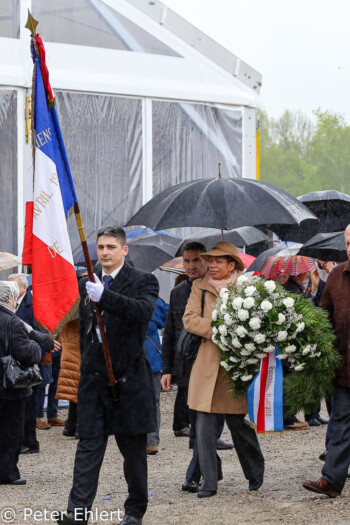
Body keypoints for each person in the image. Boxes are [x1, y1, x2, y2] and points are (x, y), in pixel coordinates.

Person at [57, 226, 159, 525]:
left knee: (134, 455)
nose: (104, 252)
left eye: (111, 247)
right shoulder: (87, 283)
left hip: (129, 380)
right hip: (94, 381)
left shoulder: (144, 281)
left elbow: (142, 312)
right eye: (100, 247)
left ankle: (134, 512)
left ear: (124, 250)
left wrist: (106, 297)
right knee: (88, 449)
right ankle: (77, 513)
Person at [183, 242, 264, 498]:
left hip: (236, 366)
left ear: (232, 264)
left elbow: (259, 321)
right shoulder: (200, 287)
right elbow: (190, 319)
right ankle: (209, 482)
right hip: (207, 365)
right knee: (204, 428)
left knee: (239, 424)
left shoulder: (249, 288)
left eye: (219, 261)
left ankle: (254, 472)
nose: (213, 265)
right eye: (211, 260)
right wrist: (221, 329)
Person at [303, 226, 350, 498]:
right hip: (343, 369)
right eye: (347, 242)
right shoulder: (336, 275)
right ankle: (331, 481)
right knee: (341, 426)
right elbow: (323, 317)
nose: (349, 247)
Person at [8, 273, 61, 451]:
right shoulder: (12, 303)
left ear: (24, 287)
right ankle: (24, 441)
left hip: (30, 359)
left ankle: (29, 442)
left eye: (14, 285)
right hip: (16, 360)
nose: (11, 289)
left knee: (29, 402)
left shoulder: (34, 303)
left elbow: (37, 331)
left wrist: (39, 349)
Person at [161, 242, 209, 437]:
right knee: (186, 393)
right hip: (185, 359)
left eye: (196, 260)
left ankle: (207, 436)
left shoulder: (216, 290)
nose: (191, 266)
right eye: (187, 261)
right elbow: (170, 333)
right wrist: (167, 369)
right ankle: (186, 428)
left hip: (208, 358)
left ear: (206, 260)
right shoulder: (178, 293)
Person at [0, 281, 41, 485]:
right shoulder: (12, 321)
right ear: (9, 298)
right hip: (9, 386)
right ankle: (7, 473)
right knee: (10, 431)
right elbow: (26, 352)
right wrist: (35, 345)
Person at [144, 297, 168, 455]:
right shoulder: (154, 300)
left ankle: (150, 440)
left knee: (152, 400)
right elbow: (166, 318)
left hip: (148, 359)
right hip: (149, 358)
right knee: (153, 401)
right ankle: (150, 440)